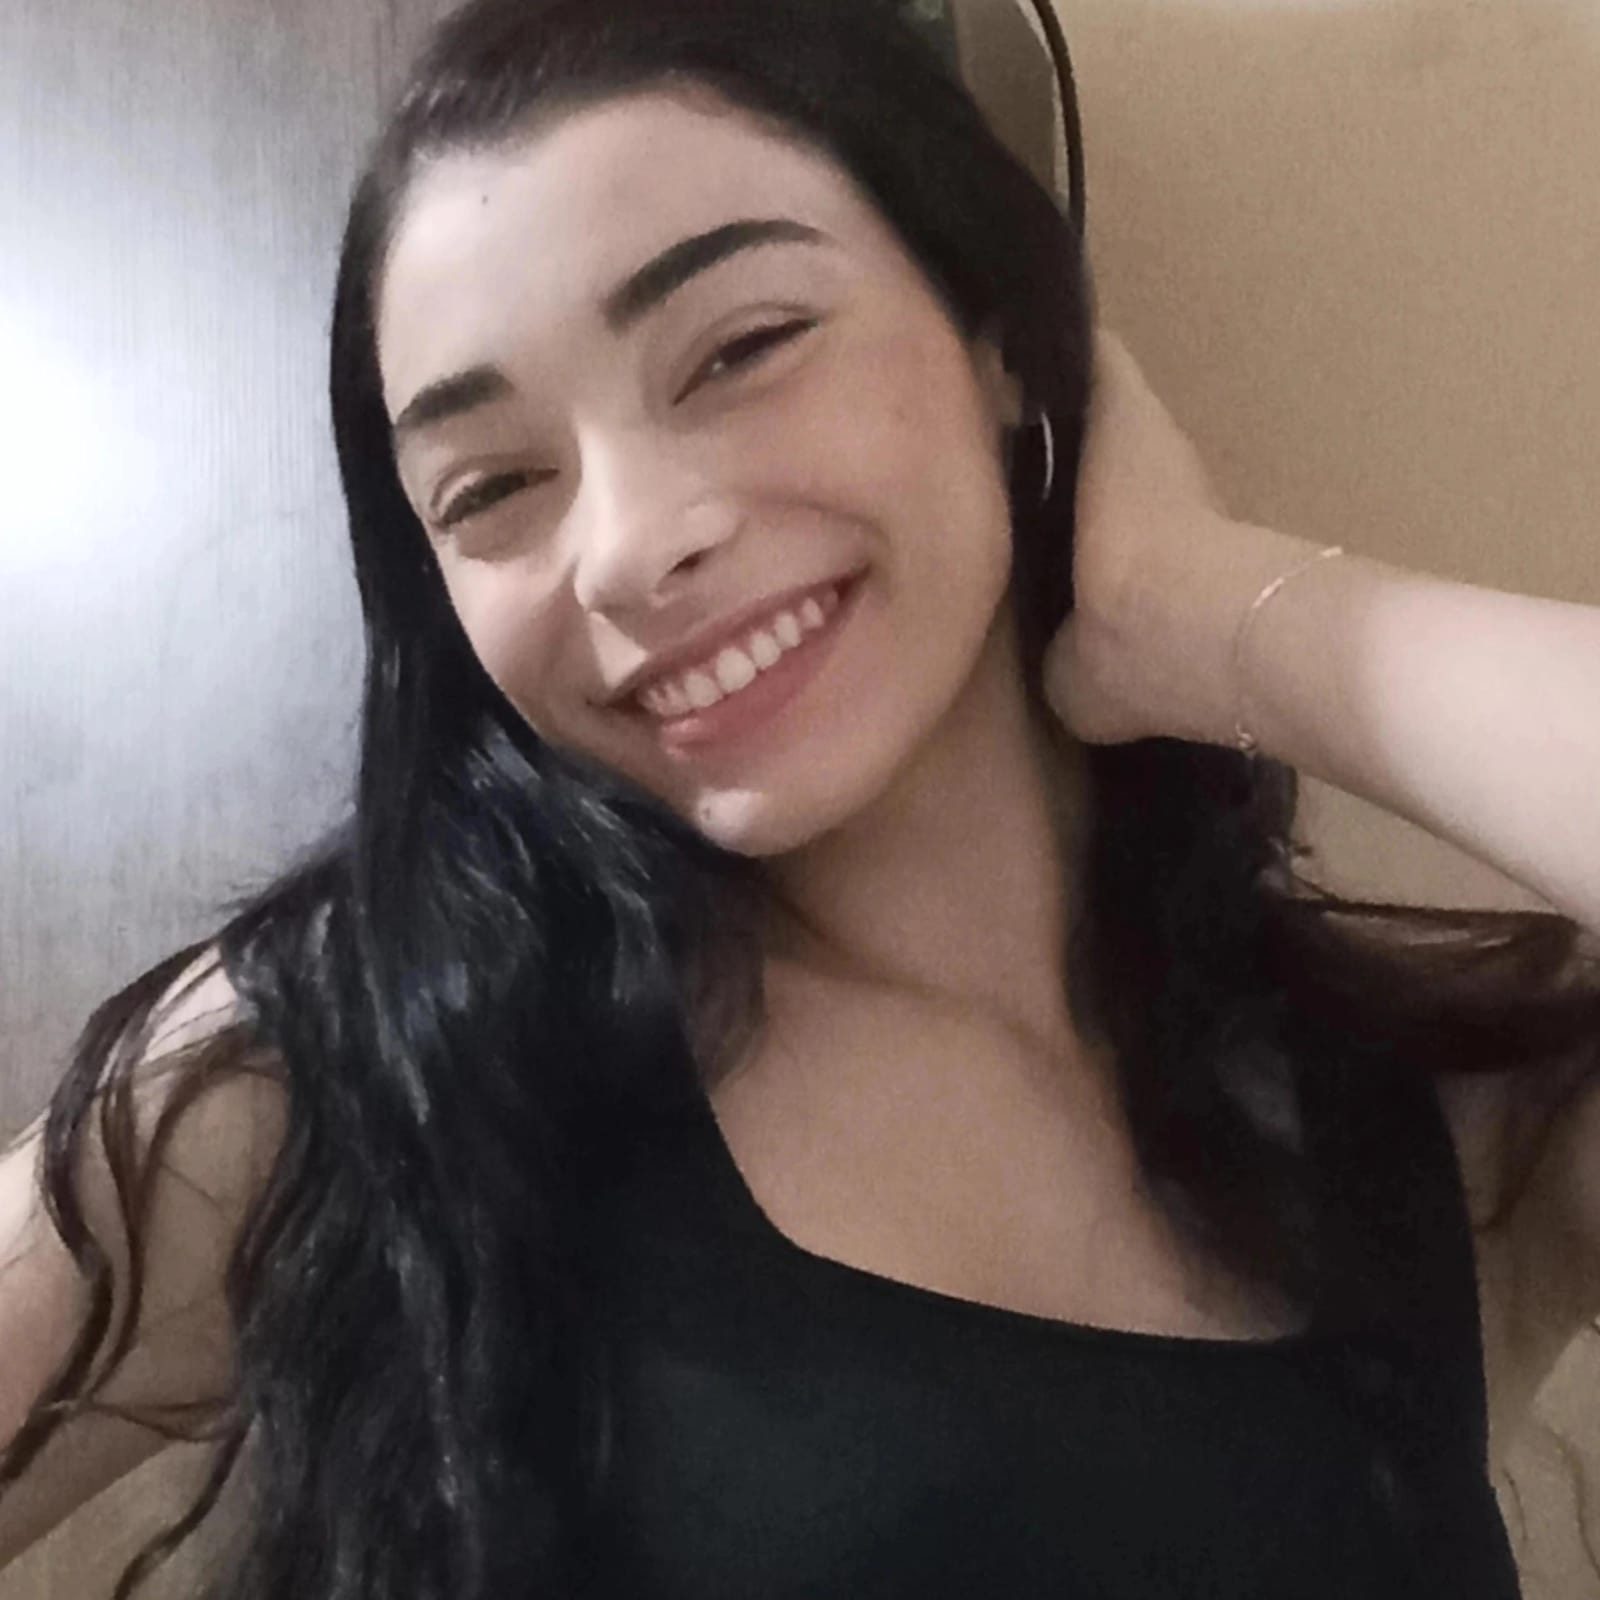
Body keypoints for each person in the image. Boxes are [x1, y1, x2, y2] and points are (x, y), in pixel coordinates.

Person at [1, 0, 1597, 1594]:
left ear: (999, 336)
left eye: (743, 347)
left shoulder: (1444, 1121)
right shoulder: (353, 1075)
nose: (628, 548)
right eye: (491, 486)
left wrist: (1207, 614)